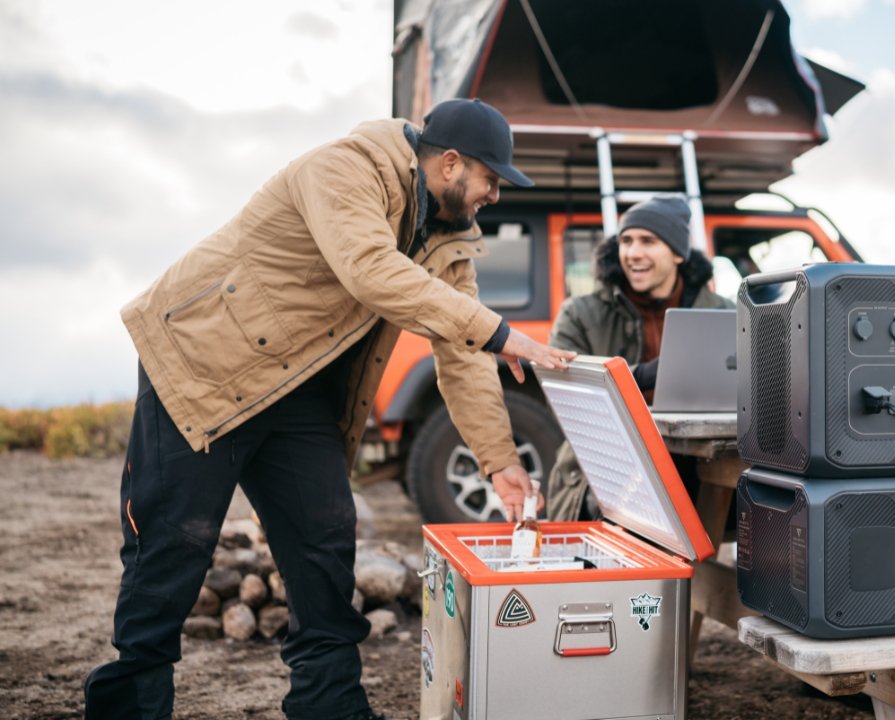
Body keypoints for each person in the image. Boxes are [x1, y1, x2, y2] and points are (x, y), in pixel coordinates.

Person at [83, 98, 575, 720]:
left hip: (296, 386)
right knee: (173, 545)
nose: (495, 196)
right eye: (491, 179)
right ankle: (130, 707)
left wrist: (499, 459)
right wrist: (501, 332)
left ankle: (330, 705)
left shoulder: (450, 236)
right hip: (205, 365)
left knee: (325, 540)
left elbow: (462, 351)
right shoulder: (344, 168)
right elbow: (371, 270)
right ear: (451, 164)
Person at [544, 195, 733, 521]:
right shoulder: (579, 313)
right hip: (610, 467)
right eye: (626, 241)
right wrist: (642, 376)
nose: (632, 253)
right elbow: (562, 397)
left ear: (678, 253)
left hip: (700, 464)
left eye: (648, 241)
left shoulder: (724, 313)